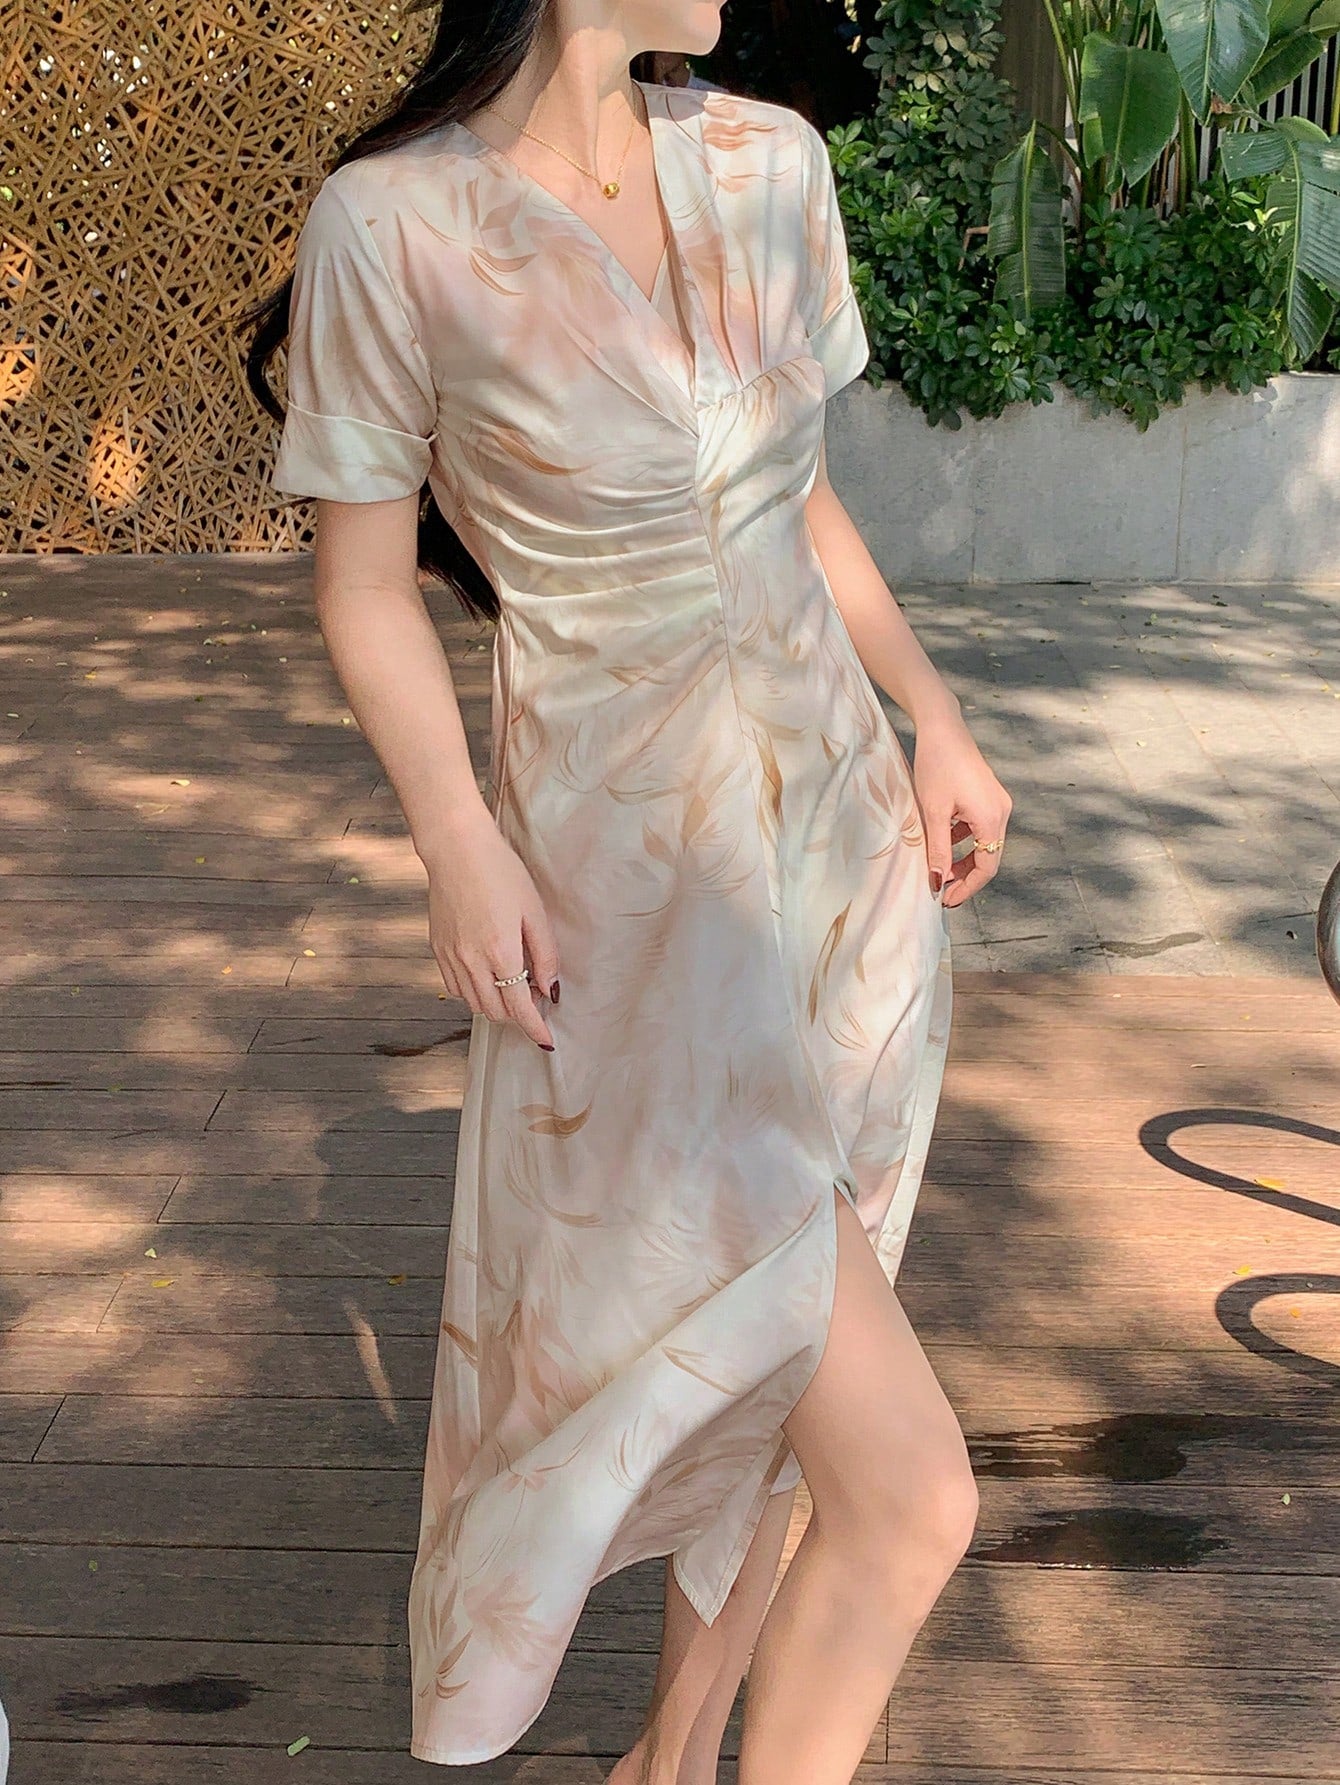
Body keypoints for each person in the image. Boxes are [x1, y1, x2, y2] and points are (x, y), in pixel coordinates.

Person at [245, 1, 1011, 1778]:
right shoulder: (393, 226)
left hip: (843, 875)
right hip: (639, 912)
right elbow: (362, 584)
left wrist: (935, 713)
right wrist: (457, 834)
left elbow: (798, 500)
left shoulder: (770, 164)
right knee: (910, 1492)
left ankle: (669, 1760)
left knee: (788, 1412)